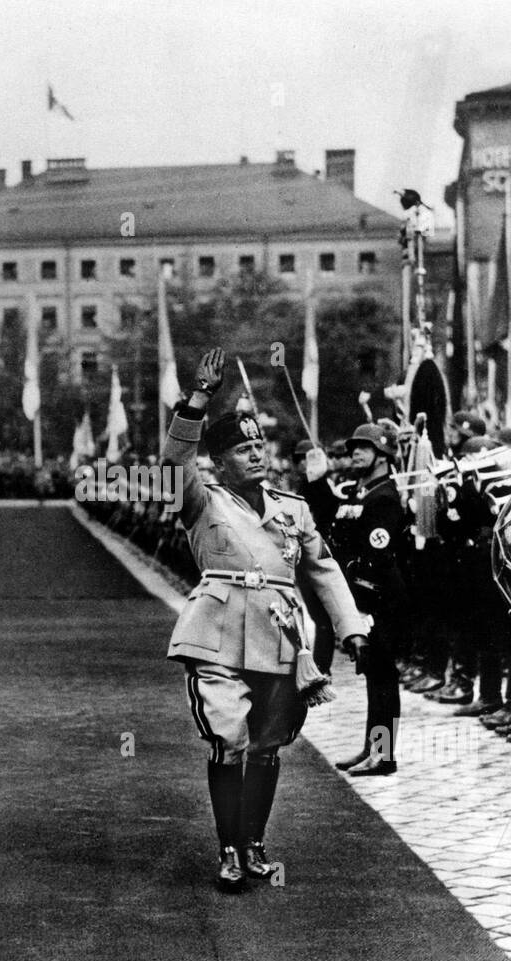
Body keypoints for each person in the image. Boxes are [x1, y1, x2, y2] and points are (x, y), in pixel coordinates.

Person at [161, 347, 369, 892]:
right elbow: (171, 464)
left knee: (269, 743)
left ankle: (253, 843)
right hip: (219, 633)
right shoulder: (200, 500)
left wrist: (351, 629)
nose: (255, 455)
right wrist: (199, 399)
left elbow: (323, 571)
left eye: (259, 446)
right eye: (241, 449)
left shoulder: (292, 508)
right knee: (228, 736)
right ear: (218, 461)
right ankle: (228, 849)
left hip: (283, 638)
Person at [306, 422, 409, 775]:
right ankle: (372, 748)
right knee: (373, 675)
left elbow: (375, 555)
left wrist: (361, 604)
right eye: (353, 448)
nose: (355, 454)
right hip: (362, 597)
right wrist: (318, 481)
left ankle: (384, 754)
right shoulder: (362, 491)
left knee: (382, 675)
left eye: (364, 448)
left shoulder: (384, 497)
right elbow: (331, 517)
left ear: (383, 454)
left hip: (378, 598)